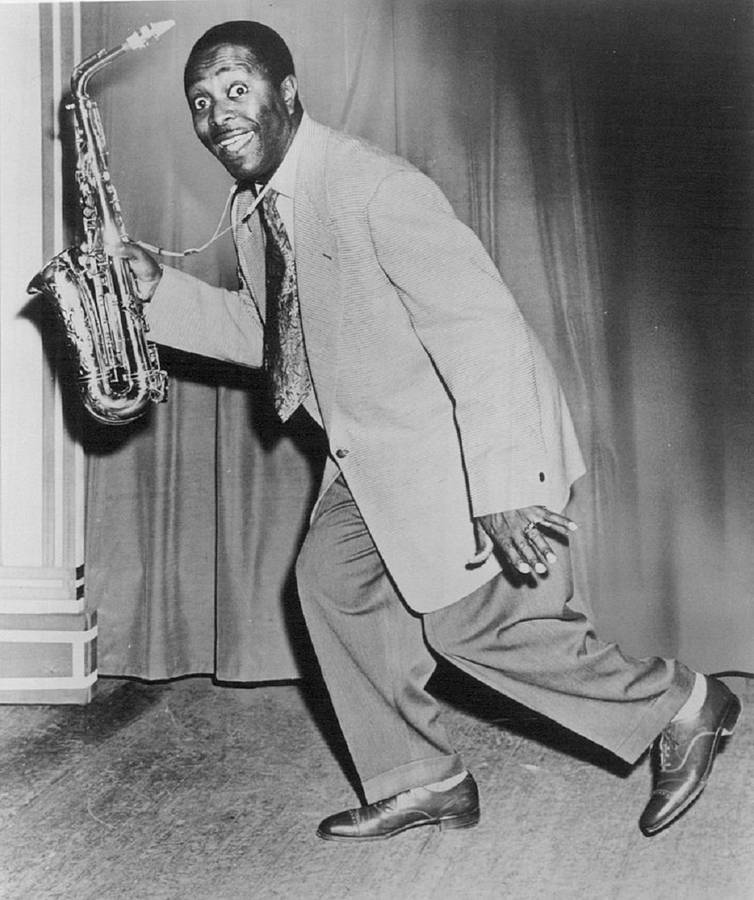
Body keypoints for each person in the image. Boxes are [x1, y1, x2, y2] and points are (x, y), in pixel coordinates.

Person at [117, 20, 741, 841]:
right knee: (335, 583)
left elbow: (483, 329)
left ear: (289, 91)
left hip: (460, 440)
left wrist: (505, 486)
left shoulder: (373, 186)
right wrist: (156, 291)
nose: (218, 114)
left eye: (237, 89)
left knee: (481, 627)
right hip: (376, 449)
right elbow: (275, 340)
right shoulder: (256, 206)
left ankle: (684, 704)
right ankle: (423, 779)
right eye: (201, 101)